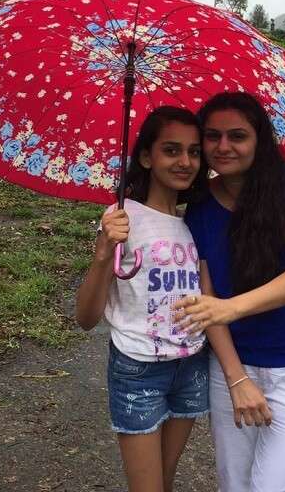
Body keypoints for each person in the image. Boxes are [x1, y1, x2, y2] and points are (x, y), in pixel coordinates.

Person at [175, 92, 285, 492]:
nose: (223, 147)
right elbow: (206, 300)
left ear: (259, 139)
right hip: (233, 364)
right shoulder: (199, 208)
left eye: (237, 136)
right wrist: (236, 379)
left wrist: (231, 308)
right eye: (212, 136)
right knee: (236, 484)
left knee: (269, 487)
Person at [75, 106, 222, 492]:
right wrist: (104, 252)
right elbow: (86, 317)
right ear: (146, 156)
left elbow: (221, 289)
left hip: (192, 365)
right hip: (138, 368)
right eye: (171, 150)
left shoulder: (194, 222)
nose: (185, 161)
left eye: (193, 152)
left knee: (165, 479)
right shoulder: (123, 218)